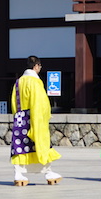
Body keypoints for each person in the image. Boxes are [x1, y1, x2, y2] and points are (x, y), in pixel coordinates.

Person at [10, 55, 62, 186]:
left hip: (20, 118)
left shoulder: (19, 81)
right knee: (40, 144)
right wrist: (44, 116)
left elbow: (13, 102)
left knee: (20, 146)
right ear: (36, 66)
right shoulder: (35, 82)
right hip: (34, 117)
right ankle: (48, 172)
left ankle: (18, 173)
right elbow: (40, 103)